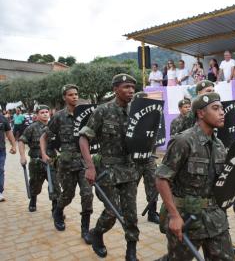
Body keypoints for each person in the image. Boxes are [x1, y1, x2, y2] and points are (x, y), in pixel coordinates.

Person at [156, 92, 234, 261]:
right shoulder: (184, 141)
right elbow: (162, 178)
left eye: (222, 108)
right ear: (200, 113)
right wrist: (174, 216)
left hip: (215, 219)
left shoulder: (219, 145)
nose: (222, 112)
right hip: (187, 218)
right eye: (215, 108)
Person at [79, 74, 139, 260]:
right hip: (107, 171)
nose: (130, 90)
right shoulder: (102, 111)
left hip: (129, 169)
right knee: (112, 212)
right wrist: (90, 166)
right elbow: (83, 138)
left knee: (131, 213)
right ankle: (97, 233)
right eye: (126, 86)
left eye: (133, 87)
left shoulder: (135, 112)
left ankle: (131, 250)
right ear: (115, 89)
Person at [40, 84, 93, 244]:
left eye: (76, 94)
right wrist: (43, 153)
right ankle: (58, 211)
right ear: (64, 97)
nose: (75, 97)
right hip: (66, 163)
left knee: (87, 194)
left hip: (83, 162)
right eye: (71, 95)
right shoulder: (59, 116)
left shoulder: (85, 115)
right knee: (68, 195)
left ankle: (85, 230)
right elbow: (45, 137)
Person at [18, 105, 61, 212]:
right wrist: (22, 157)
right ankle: (33, 200)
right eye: (42, 112)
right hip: (36, 161)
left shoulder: (54, 127)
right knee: (35, 184)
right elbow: (21, 141)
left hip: (51, 161)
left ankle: (55, 208)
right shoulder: (31, 128)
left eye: (47, 111)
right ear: (37, 115)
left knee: (55, 184)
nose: (45, 114)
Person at [131, 91, 160, 224]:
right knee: (130, 188)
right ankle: (128, 212)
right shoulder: (130, 117)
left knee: (153, 186)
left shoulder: (154, 118)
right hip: (133, 160)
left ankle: (152, 213)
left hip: (149, 159)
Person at [0, 111, 16, 202]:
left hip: (0, 149)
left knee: (0, 170)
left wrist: (13, 145)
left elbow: (9, 133)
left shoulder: (2, 118)